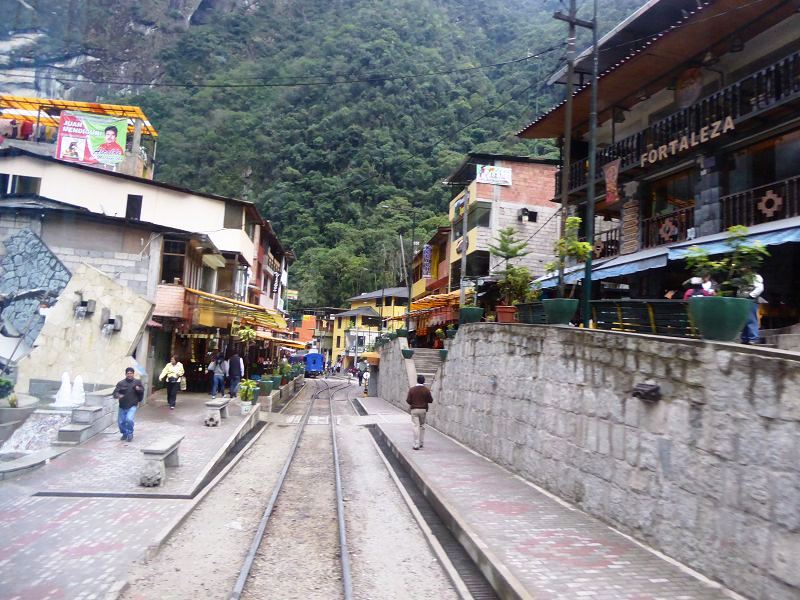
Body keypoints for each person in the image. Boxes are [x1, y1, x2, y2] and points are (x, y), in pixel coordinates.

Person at [113, 367, 144, 442]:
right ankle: (124, 433)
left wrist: (138, 389)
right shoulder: (121, 383)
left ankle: (130, 433)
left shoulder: (137, 382)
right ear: (125, 374)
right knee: (121, 422)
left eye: (131, 373)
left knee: (129, 419)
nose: (129, 375)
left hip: (132, 405)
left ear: (133, 374)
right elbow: (115, 393)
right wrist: (118, 395)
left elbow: (142, 390)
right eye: (128, 373)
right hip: (122, 406)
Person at [406, 374, 433, 450]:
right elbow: (430, 400)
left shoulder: (412, 390)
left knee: (415, 426)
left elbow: (408, 400)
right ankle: (421, 443)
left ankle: (416, 444)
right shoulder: (426, 390)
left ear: (417, 380)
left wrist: (413, 402)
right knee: (422, 426)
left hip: (414, 410)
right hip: (423, 410)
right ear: (423, 381)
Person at [739, 270, 765, 344]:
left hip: (751, 300)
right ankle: (745, 338)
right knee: (744, 319)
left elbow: (760, 288)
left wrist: (751, 295)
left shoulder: (755, 277)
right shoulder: (743, 278)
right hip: (743, 300)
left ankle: (753, 338)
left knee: (751, 319)